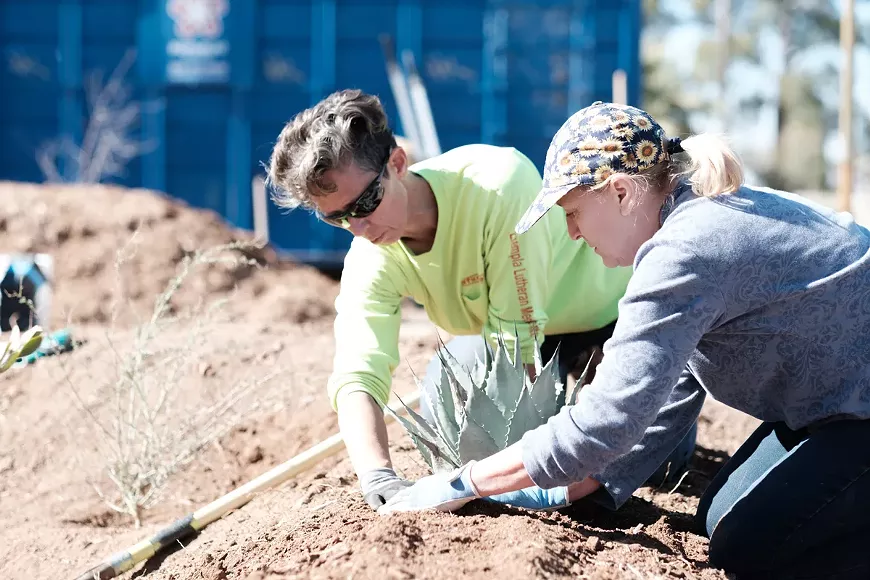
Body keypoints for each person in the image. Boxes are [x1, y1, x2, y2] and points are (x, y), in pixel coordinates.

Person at [377, 101, 870, 579]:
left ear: (619, 193)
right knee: (716, 518)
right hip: (832, 407)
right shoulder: (689, 213)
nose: (570, 233)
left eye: (572, 212)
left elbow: (606, 419)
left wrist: (466, 482)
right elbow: (668, 392)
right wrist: (586, 485)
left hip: (856, 410)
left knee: (750, 548)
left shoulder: (687, 248)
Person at [266, 90, 697, 512]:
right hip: (526, 341)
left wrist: (526, 470)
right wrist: (377, 476)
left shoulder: (496, 186)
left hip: (607, 323)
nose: (357, 226)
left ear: (397, 164)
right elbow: (358, 373)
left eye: (365, 203)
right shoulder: (370, 256)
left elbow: (516, 344)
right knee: (446, 383)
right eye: (336, 217)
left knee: (654, 460)